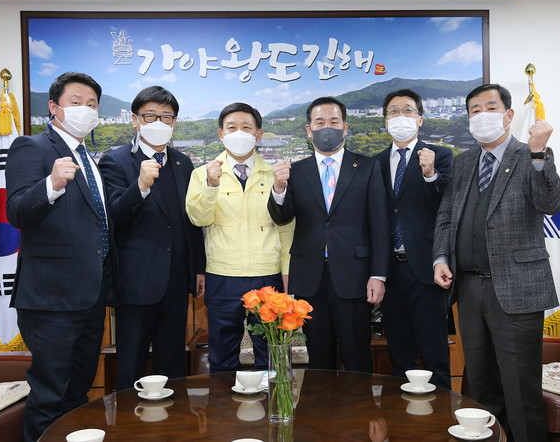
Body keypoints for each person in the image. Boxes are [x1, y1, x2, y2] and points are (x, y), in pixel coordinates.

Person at [433, 83, 560, 441]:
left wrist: (540, 153)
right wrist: (441, 258)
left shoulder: (529, 155)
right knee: (480, 384)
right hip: (469, 287)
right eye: (474, 110)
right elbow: (446, 216)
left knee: (520, 388)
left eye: (490, 108)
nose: (482, 115)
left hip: (518, 288)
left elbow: (550, 202)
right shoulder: (463, 163)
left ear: (508, 115)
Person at [5, 72, 121, 442]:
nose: (85, 109)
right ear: (54, 107)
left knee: (78, 393)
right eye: (76, 101)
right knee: (49, 395)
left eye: (92, 104)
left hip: (92, 296)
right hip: (51, 298)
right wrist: (51, 185)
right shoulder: (31, 147)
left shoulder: (89, 158)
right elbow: (16, 211)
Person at [268, 96, 390, 372]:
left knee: (356, 356)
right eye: (319, 122)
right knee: (318, 360)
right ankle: (320, 402)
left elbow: (380, 225)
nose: (327, 128)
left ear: (345, 127)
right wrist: (279, 188)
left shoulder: (367, 167)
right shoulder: (296, 171)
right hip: (310, 277)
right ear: (309, 129)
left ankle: (358, 401)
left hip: (355, 276)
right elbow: (281, 216)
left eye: (334, 122)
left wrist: (378, 275)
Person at [98, 86, 205, 391]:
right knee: (131, 364)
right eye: (150, 116)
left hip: (176, 281)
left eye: (166, 117)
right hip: (136, 282)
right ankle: (127, 420)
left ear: (174, 123)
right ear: (135, 120)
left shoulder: (183, 163)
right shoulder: (115, 161)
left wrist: (198, 268)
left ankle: (174, 418)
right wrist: (141, 186)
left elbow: (191, 221)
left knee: (172, 364)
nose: (159, 122)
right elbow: (115, 216)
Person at [185, 102, 294, 373]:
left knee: (271, 355)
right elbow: (198, 219)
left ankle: (271, 401)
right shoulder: (202, 174)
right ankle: (223, 402)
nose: (239, 133)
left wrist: (287, 272)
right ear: (221, 134)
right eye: (232, 127)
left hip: (267, 276)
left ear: (258, 134)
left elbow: (286, 229)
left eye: (247, 127)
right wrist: (211, 185)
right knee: (222, 358)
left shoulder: (276, 175)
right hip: (222, 276)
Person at [374, 89, 453, 388]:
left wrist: (430, 173)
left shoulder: (440, 155)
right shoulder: (376, 163)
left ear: (420, 119)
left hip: (427, 267)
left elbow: (447, 204)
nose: (400, 116)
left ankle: (442, 410)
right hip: (390, 270)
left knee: (434, 350)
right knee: (399, 350)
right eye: (393, 111)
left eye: (407, 111)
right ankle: (400, 413)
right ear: (386, 121)